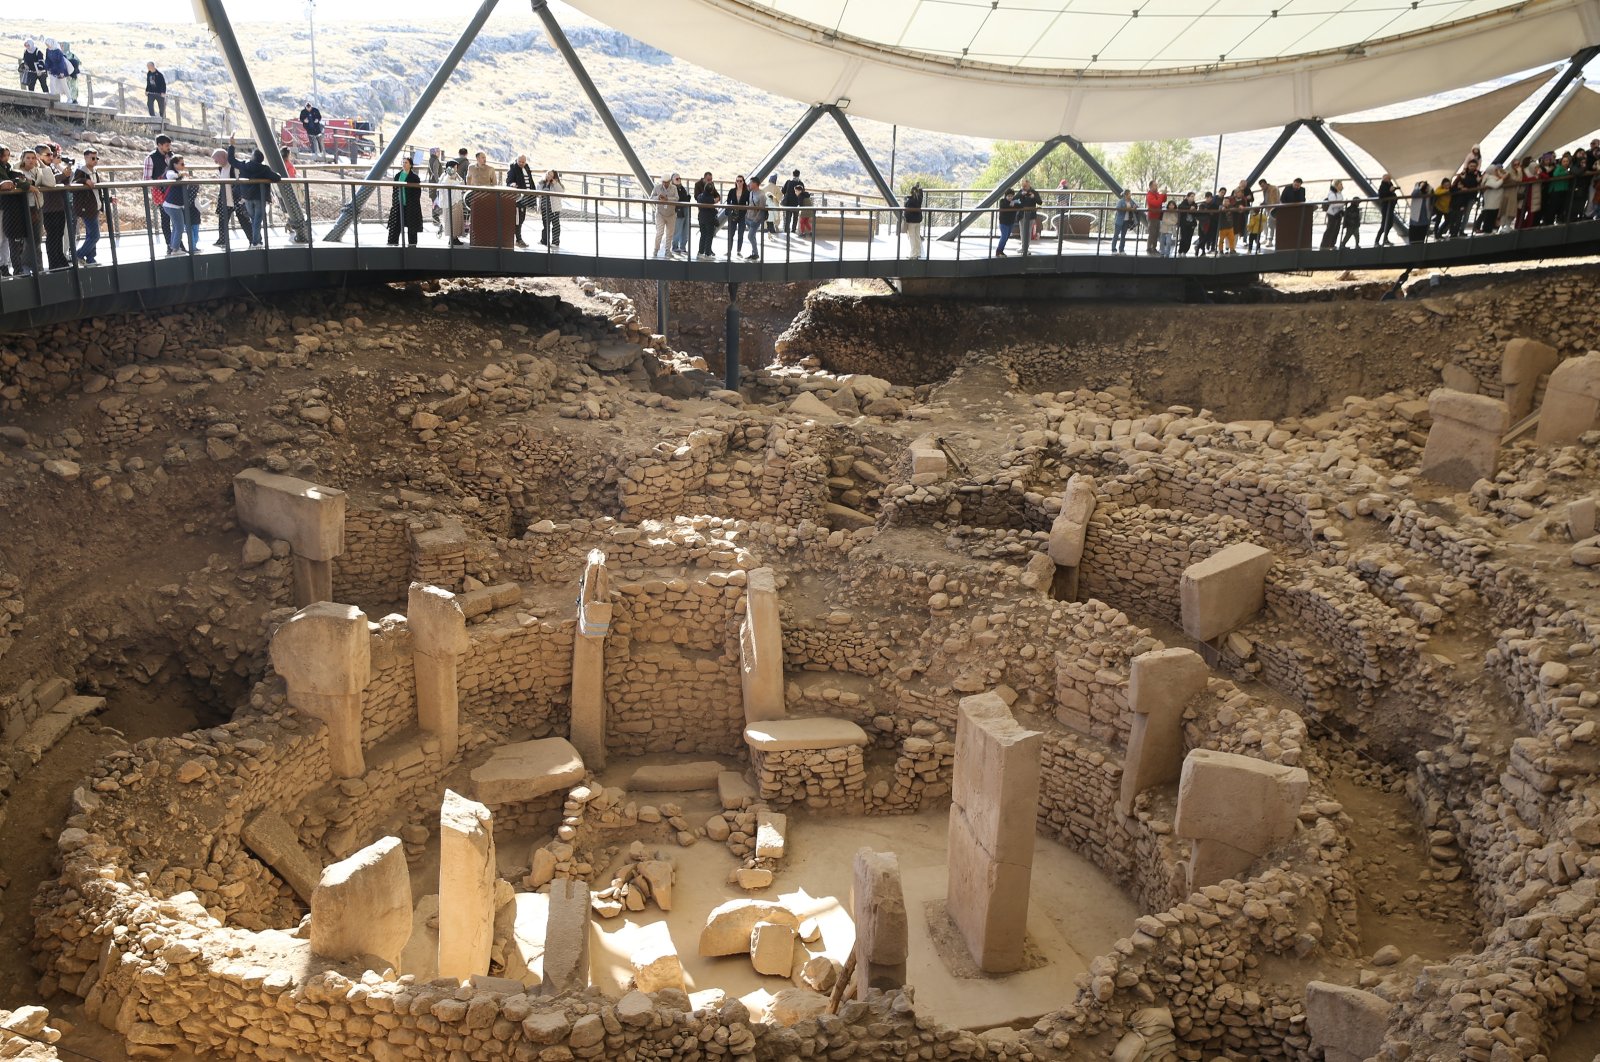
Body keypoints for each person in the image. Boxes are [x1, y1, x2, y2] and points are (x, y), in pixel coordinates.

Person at [230, 141, 283, 247]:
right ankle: (256, 241)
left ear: (253, 157)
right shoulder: (264, 169)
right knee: (257, 220)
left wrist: (231, 146)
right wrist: (277, 173)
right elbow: (277, 178)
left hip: (247, 197)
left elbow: (231, 160)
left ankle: (257, 240)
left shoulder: (244, 165)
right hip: (260, 197)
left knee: (254, 219)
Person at [0, 145, 35, 276]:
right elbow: (6, 182)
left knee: (5, 238)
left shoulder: (7, 167)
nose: (6, 158)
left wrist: (20, 180)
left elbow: (12, 180)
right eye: (3, 155)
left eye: (8, 155)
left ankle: (3, 265)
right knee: (1, 238)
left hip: (6, 206)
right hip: (3, 205)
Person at [34, 144, 67, 269]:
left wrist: (65, 174)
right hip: (48, 207)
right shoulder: (38, 168)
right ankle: (54, 263)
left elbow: (64, 180)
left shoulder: (52, 167)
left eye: (51, 154)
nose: (51, 157)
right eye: (47, 155)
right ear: (39, 156)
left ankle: (60, 259)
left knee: (59, 235)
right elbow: (48, 182)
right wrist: (63, 175)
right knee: (52, 235)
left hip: (59, 205)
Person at [160, 155, 201, 255]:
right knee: (179, 227)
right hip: (172, 205)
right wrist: (182, 174)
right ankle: (175, 249)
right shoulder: (170, 172)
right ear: (174, 164)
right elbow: (171, 176)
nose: (184, 166)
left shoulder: (176, 173)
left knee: (176, 227)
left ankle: (174, 247)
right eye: (182, 164)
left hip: (173, 205)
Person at [70, 148, 102, 265]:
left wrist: (106, 200)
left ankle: (90, 258)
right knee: (95, 235)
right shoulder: (81, 171)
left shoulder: (94, 172)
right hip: (87, 208)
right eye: (92, 158)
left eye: (96, 158)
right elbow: (74, 183)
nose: (95, 160)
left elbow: (97, 191)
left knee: (90, 234)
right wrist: (84, 181)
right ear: (85, 158)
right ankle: (78, 254)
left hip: (95, 206)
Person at [210, 147, 245, 248]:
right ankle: (222, 240)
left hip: (237, 199)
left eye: (217, 159)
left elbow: (240, 182)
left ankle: (253, 239)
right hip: (225, 199)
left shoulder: (234, 167)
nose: (216, 162)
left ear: (224, 157)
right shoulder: (221, 168)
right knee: (222, 220)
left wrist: (242, 198)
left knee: (243, 220)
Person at [387, 155, 423, 247]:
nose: (404, 164)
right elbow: (394, 191)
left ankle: (412, 245)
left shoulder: (415, 177)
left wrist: (413, 203)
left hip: (410, 206)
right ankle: (392, 243)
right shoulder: (398, 175)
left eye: (406, 162)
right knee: (395, 224)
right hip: (398, 204)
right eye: (403, 162)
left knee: (412, 226)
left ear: (410, 165)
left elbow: (417, 193)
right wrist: (394, 202)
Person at [507, 154, 533, 248]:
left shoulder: (526, 167)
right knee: (518, 220)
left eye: (523, 162)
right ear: (517, 160)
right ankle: (518, 239)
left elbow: (530, 181)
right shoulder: (513, 167)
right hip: (518, 198)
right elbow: (509, 181)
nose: (521, 163)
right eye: (520, 162)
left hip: (526, 197)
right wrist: (512, 184)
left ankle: (518, 239)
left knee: (521, 219)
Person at [694, 171, 720, 259]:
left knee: (703, 235)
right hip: (709, 217)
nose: (710, 181)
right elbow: (715, 199)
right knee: (709, 235)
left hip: (701, 216)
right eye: (709, 180)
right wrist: (714, 200)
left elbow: (717, 196)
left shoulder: (700, 196)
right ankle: (707, 253)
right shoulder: (709, 199)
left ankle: (701, 252)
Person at [723, 174, 749, 259]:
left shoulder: (747, 192)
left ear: (743, 182)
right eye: (737, 181)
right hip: (733, 215)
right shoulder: (732, 191)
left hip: (742, 215)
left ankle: (738, 251)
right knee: (731, 233)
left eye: (740, 181)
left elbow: (748, 203)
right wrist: (729, 211)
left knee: (740, 233)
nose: (739, 182)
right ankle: (729, 251)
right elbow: (728, 202)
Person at [650, 173, 675, 258]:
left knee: (669, 234)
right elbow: (651, 198)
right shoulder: (657, 187)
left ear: (670, 181)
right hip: (660, 213)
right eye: (663, 182)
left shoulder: (674, 188)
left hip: (671, 214)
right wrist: (658, 198)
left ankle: (668, 251)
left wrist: (667, 199)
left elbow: (677, 198)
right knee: (659, 232)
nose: (665, 184)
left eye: (667, 182)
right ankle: (655, 250)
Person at [441, 159, 466, 245]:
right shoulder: (445, 176)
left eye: (456, 167)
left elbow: (462, 183)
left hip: (457, 200)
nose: (456, 169)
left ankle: (455, 238)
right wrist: (457, 182)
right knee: (451, 221)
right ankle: (451, 239)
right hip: (450, 202)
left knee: (457, 220)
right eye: (454, 167)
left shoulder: (456, 175)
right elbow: (448, 183)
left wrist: (458, 181)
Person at [538, 169, 563, 249]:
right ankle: (544, 240)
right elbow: (538, 192)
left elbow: (562, 192)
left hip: (554, 208)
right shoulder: (542, 183)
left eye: (551, 175)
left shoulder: (556, 184)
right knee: (545, 224)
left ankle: (555, 242)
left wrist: (555, 184)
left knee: (555, 225)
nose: (549, 177)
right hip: (544, 207)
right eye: (548, 174)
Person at [1478, 164, 1507, 233]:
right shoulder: (1489, 179)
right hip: (1492, 203)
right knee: (1489, 218)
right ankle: (1487, 231)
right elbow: (1495, 185)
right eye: (1496, 170)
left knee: (1494, 218)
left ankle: (1492, 230)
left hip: (1496, 201)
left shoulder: (1495, 178)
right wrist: (1503, 179)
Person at [745, 176, 766, 261]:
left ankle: (756, 253)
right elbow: (750, 204)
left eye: (750, 183)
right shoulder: (751, 193)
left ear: (755, 184)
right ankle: (754, 253)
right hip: (748, 218)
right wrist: (746, 215)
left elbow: (762, 209)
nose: (749, 184)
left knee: (750, 236)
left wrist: (756, 220)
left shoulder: (762, 195)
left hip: (755, 220)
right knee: (752, 236)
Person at [1017, 179, 1042, 251]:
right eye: (1023, 186)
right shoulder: (1021, 191)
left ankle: (1026, 248)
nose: (1024, 187)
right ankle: (1023, 247)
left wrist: (1034, 197)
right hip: (1022, 215)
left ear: (1029, 185)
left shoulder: (1034, 192)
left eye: (1025, 186)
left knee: (1028, 231)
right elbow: (1015, 198)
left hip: (1031, 215)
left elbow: (1040, 202)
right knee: (1022, 231)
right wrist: (1021, 194)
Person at [1319, 180, 1344, 250]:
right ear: (1336, 185)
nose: (1342, 185)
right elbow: (1333, 204)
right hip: (1332, 214)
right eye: (1340, 184)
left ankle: (1332, 244)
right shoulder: (1332, 193)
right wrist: (1342, 203)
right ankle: (1324, 245)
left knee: (1336, 230)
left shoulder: (1339, 193)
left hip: (1338, 214)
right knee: (1330, 230)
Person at [1374, 174, 1398, 245]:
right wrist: (1390, 191)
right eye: (1388, 179)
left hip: (1390, 207)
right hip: (1386, 208)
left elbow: (1392, 194)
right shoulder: (1383, 186)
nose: (1389, 180)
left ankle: (1385, 239)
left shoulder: (1390, 185)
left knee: (1390, 224)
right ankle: (1377, 241)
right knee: (1384, 224)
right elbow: (1382, 195)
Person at [1144, 181, 1166, 255]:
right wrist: (1162, 195)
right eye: (1155, 186)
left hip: (1157, 216)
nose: (1156, 187)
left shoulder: (1156, 194)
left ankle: (1154, 247)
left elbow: (1163, 200)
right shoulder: (1149, 195)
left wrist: (1164, 194)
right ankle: (1149, 247)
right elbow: (1156, 203)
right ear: (1150, 187)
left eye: (1157, 185)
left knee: (1156, 233)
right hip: (1152, 217)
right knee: (1152, 233)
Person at [780, 169, 804, 234]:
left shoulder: (788, 182)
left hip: (788, 203)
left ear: (793, 174)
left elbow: (783, 191)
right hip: (797, 203)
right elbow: (803, 192)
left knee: (787, 218)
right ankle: (793, 230)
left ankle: (786, 230)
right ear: (799, 175)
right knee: (795, 218)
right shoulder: (801, 183)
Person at [903, 183, 923, 260]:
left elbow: (906, 210)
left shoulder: (909, 201)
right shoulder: (919, 199)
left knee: (912, 238)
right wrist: (919, 187)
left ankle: (913, 255)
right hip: (918, 221)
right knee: (917, 237)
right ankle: (918, 253)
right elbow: (921, 193)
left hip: (911, 222)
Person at [671, 174, 690, 256]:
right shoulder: (672, 188)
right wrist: (686, 198)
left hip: (685, 209)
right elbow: (679, 198)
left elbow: (686, 198)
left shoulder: (681, 188)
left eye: (680, 178)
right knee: (677, 229)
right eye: (677, 178)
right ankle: (675, 247)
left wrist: (687, 197)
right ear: (672, 180)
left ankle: (683, 247)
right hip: (678, 210)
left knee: (685, 229)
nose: (679, 180)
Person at [1257, 178, 1279, 246]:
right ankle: (1266, 238)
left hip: (1272, 209)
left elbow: (1274, 201)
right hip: (1267, 208)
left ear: (1266, 184)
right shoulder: (1265, 190)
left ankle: (1270, 240)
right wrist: (1263, 203)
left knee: (1271, 224)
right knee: (1265, 223)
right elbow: (1266, 199)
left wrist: (1271, 207)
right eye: (1261, 186)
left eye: (1263, 185)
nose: (1262, 187)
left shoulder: (1273, 189)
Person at [1110, 188, 1134, 253]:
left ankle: (1121, 249)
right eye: (1129, 194)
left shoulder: (1131, 201)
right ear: (1126, 195)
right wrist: (1127, 209)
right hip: (1119, 220)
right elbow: (1118, 209)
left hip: (1126, 220)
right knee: (1116, 235)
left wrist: (1133, 208)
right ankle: (1113, 248)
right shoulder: (1121, 201)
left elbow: (1135, 206)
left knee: (1123, 235)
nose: (1130, 196)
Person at [995, 188, 1017, 256]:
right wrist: (1011, 205)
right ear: (1006, 196)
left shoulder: (1014, 202)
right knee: (1004, 237)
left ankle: (1001, 250)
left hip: (1011, 222)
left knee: (1006, 237)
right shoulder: (1002, 201)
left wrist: (1014, 203)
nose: (1010, 197)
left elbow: (1020, 205)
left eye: (1011, 196)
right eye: (1009, 196)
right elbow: (1003, 206)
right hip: (1003, 223)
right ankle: (998, 250)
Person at [427, 147, 444, 233]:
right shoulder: (436, 160)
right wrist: (439, 183)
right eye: (438, 151)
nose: (439, 153)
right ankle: (435, 219)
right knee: (436, 201)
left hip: (431, 184)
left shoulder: (430, 159)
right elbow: (436, 173)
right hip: (435, 184)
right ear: (434, 152)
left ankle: (435, 218)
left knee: (434, 201)